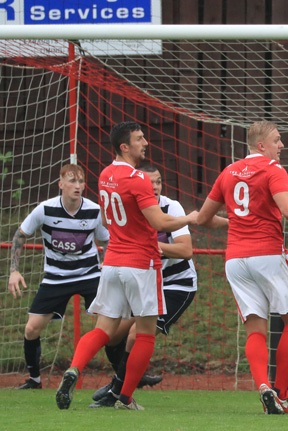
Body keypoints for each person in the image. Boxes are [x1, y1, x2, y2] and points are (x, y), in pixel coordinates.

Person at [55, 122, 199, 411]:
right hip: (140, 264)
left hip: (111, 263)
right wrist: (190, 218)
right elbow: (159, 223)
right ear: (124, 146)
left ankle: (73, 369)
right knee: (144, 334)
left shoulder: (106, 174)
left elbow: (108, 222)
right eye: (139, 138)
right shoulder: (138, 179)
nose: (145, 142)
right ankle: (125, 398)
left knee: (103, 329)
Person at [197, 120, 288, 415]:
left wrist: (234, 222)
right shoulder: (273, 170)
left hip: (236, 259)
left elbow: (202, 219)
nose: (282, 145)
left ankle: (263, 386)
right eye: (277, 140)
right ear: (261, 145)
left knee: (255, 329)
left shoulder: (228, 172)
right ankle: (282, 395)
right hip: (268, 254)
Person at [89, 164, 217, 407]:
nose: (155, 187)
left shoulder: (171, 207)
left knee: (137, 335)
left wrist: (156, 248)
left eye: (158, 182)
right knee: (113, 335)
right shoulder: (129, 208)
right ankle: (127, 377)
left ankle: (117, 391)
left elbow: (186, 250)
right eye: (150, 183)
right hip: (145, 281)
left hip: (176, 284)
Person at [8, 164, 109, 389]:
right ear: (60, 184)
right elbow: (19, 235)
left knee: (114, 325)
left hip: (90, 274)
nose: (78, 186)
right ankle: (34, 380)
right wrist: (14, 271)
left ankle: (121, 382)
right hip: (56, 277)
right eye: (72, 181)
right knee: (31, 329)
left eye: (81, 181)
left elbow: (108, 241)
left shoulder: (94, 210)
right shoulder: (44, 210)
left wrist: (110, 271)